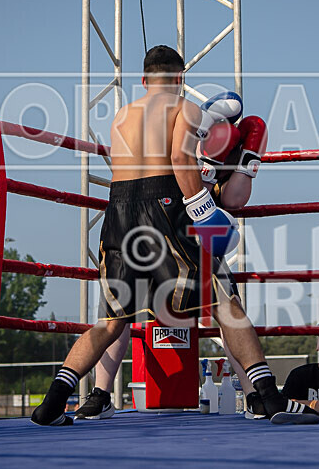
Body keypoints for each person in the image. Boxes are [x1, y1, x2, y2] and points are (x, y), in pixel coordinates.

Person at [32, 45, 319, 426]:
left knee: (112, 319)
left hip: (118, 213)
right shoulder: (186, 108)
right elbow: (181, 161)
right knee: (224, 303)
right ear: (181, 79)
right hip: (166, 206)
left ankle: (53, 403)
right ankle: (269, 398)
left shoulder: (121, 116)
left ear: (144, 80)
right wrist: (203, 211)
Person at [75, 93, 271, 421]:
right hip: (153, 227)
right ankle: (100, 393)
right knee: (117, 313)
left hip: (192, 238)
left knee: (226, 308)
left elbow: (235, 199)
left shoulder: (231, 144)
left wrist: (247, 156)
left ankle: (254, 394)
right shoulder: (174, 133)